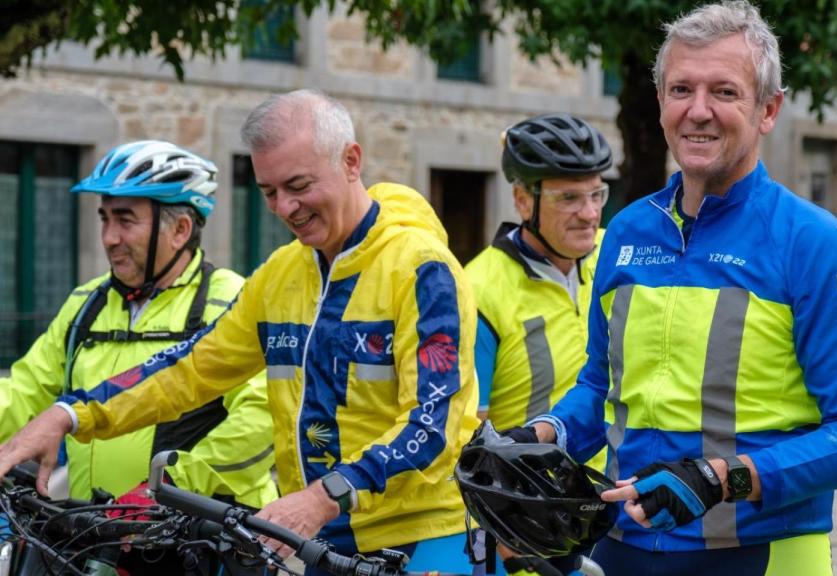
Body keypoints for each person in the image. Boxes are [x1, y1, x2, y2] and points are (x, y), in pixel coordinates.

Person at [0, 90, 481, 575]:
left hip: (422, 541)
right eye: (268, 191)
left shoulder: (423, 269)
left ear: (351, 161)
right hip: (318, 544)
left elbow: (430, 425)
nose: (285, 208)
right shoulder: (280, 273)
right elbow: (190, 368)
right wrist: (68, 415)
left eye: (298, 185)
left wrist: (322, 497)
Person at [503, 2, 837, 574]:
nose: (699, 111)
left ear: (768, 109)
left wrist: (726, 478)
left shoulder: (813, 242)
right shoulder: (627, 233)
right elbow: (601, 387)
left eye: (725, 92)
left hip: (760, 554)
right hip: (626, 547)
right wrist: (546, 434)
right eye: (681, 89)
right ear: (661, 101)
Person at [0, 140, 278, 572]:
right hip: (96, 543)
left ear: (180, 230)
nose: (110, 238)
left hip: (204, 546)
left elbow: (261, 420)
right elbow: (25, 390)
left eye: (125, 220)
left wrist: (164, 488)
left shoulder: (229, 302)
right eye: (105, 218)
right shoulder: (85, 305)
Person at [465, 113, 611, 575]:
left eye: (596, 195)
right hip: (532, 536)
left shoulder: (617, 258)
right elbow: (467, 436)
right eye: (569, 198)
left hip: (620, 514)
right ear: (523, 198)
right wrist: (508, 529)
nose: (589, 213)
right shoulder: (479, 289)